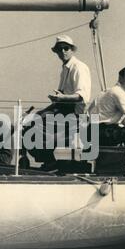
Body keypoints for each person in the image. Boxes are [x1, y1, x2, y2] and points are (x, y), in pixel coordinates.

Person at [28, 35, 92, 170]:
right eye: (59, 49)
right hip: (63, 109)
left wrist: (61, 98)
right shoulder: (65, 69)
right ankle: (50, 160)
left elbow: (82, 96)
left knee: (37, 126)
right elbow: (61, 97)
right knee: (32, 121)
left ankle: (50, 161)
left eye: (66, 48)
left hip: (75, 114)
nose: (62, 51)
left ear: (72, 50)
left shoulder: (79, 68)